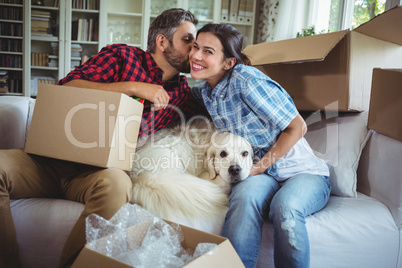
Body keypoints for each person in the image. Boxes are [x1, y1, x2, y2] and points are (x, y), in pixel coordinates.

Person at [0, 8, 202, 268]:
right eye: (188, 41)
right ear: (163, 42)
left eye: (197, 45)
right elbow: (67, 87)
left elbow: (214, 117)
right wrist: (134, 87)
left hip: (96, 175)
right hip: (49, 161)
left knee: (119, 184)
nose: (194, 50)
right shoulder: (123, 56)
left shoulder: (183, 94)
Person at [189, 23, 331, 268]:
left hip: (301, 172)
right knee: (243, 199)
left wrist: (260, 167)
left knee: (284, 207)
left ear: (229, 63)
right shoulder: (205, 93)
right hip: (262, 173)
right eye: (194, 47)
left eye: (208, 51)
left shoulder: (246, 79)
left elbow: (298, 127)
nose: (195, 56)